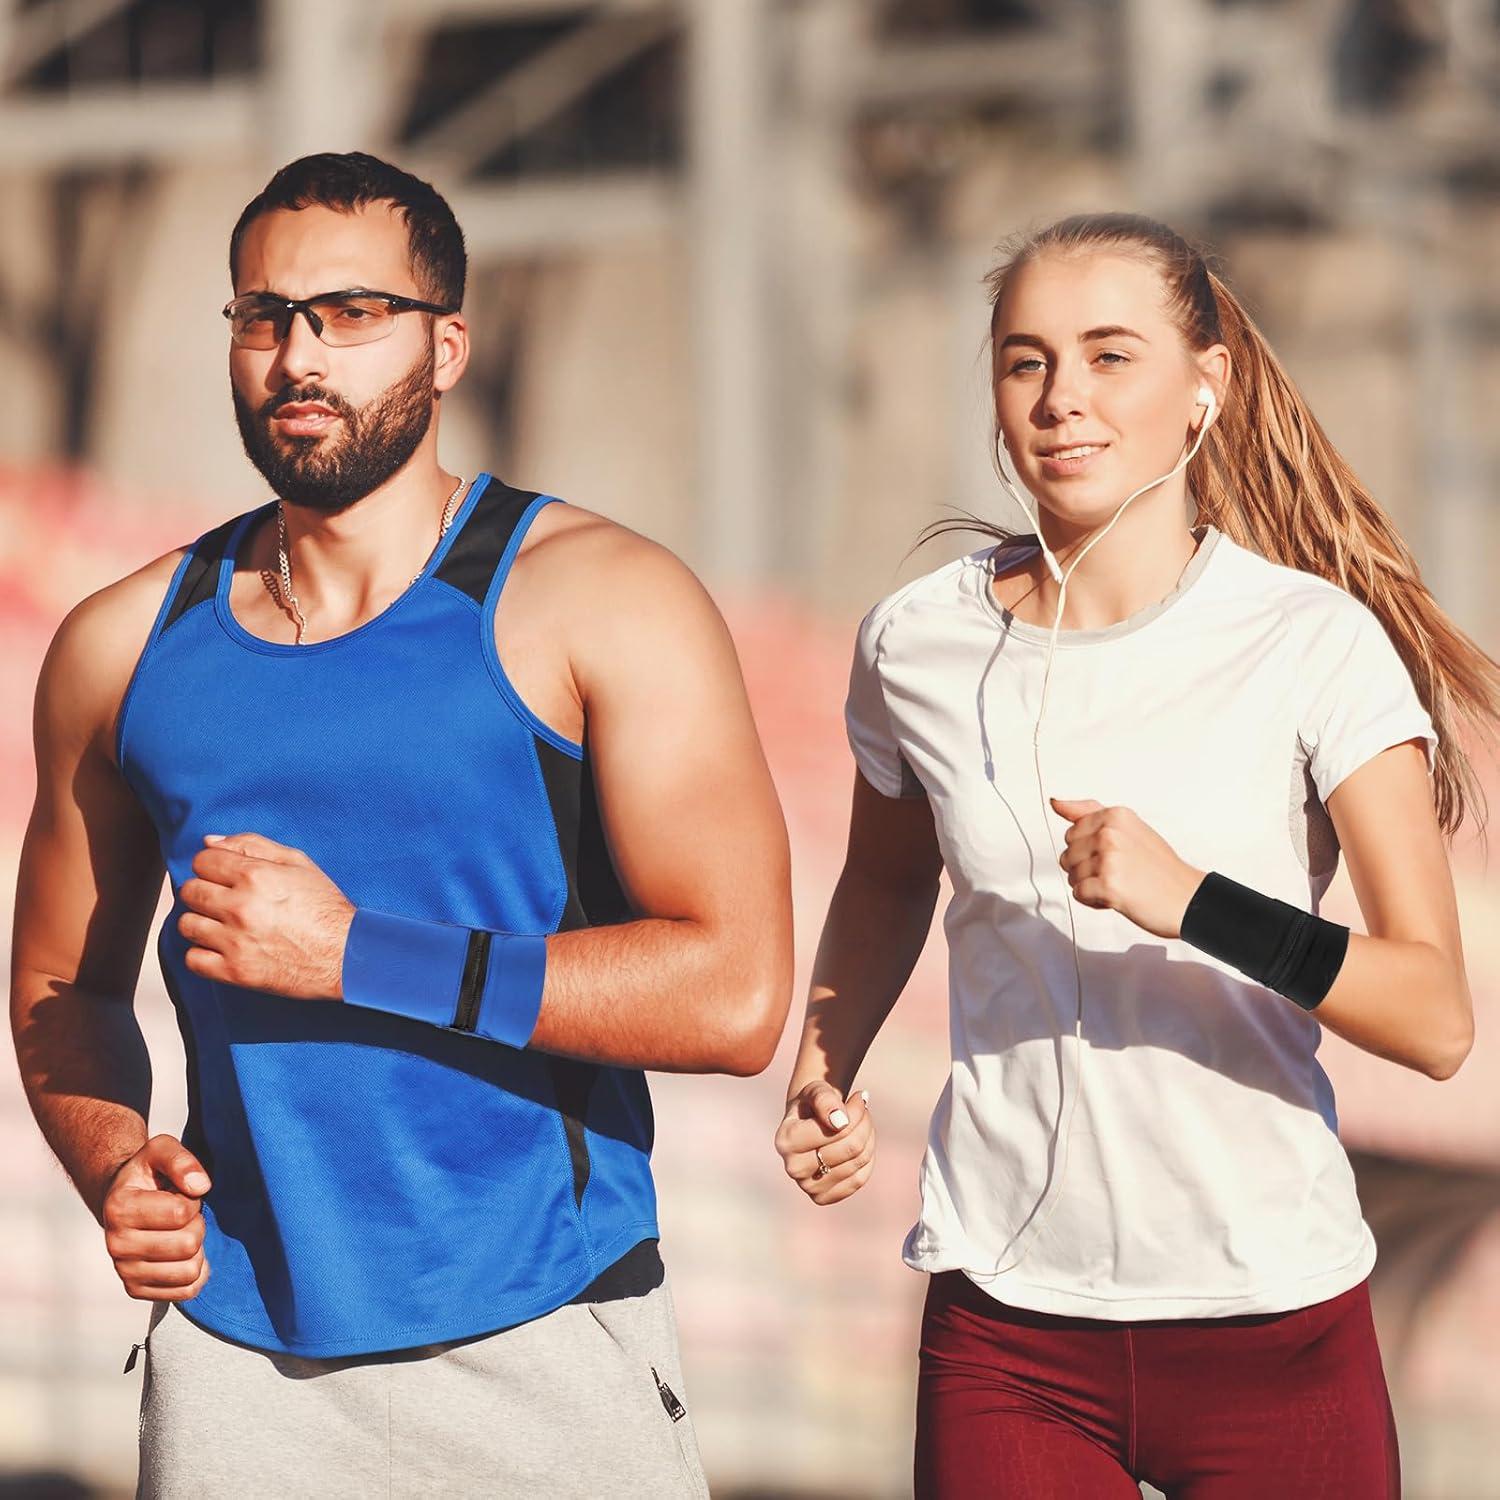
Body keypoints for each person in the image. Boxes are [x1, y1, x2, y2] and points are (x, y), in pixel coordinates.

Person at [11, 151, 792, 1499]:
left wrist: (355, 955)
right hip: (237, 1364)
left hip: (547, 1334)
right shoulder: (120, 646)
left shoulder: (601, 598)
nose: (300, 355)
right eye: (264, 316)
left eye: (353, 314)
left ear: (446, 347)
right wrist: (114, 1165)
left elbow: (736, 995)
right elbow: (61, 990)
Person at [774, 213, 1494, 1497]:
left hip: (1273, 1324)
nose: (1064, 398)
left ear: (1204, 386)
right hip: (1008, 1329)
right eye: (1027, 361)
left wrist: (1195, 902)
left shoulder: (1312, 644)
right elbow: (884, 879)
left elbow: (1435, 1018)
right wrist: (823, 1071)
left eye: (1111, 356)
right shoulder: (915, 643)